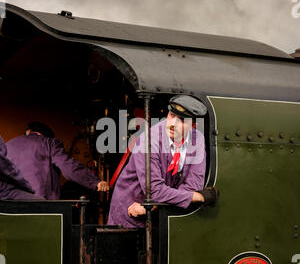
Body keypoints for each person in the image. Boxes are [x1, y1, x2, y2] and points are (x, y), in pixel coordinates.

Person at [108, 95, 218, 228]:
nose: (173, 124)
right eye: (171, 115)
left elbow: (193, 185)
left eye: (182, 120)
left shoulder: (197, 140)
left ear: (192, 126)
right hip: (129, 215)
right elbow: (155, 191)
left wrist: (154, 206)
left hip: (159, 215)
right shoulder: (148, 140)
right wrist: (200, 197)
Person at [6, 122, 109, 200]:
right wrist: (95, 182)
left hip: (7, 208)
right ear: (44, 136)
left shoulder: (7, 146)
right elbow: (68, 167)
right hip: (39, 207)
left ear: (28, 132)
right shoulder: (49, 144)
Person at [0, 135, 42, 200]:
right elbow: (4, 167)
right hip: (4, 190)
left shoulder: (11, 142)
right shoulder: (49, 143)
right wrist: (27, 187)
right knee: (42, 203)